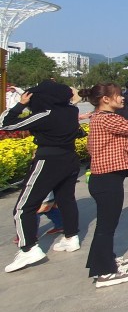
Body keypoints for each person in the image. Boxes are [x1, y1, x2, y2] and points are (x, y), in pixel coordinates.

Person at [1, 80, 84, 273]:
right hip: (70, 158)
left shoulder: (44, 115)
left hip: (48, 160)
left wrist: (20, 104)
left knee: (24, 207)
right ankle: (71, 237)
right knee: (66, 200)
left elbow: (5, 124)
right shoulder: (71, 111)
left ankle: (28, 248)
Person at [79, 83, 128, 287]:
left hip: (106, 179)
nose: (122, 99)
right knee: (105, 228)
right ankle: (103, 272)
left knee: (106, 226)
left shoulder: (99, 117)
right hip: (106, 180)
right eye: (118, 96)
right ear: (106, 100)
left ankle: (105, 259)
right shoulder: (106, 119)